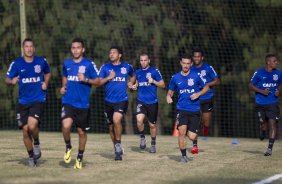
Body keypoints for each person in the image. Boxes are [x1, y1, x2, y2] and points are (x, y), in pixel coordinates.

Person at [5, 38, 51, 167]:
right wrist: (12, 81)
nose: (29, 49)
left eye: (31, 46)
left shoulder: (41, 61)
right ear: (23, 49)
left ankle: (36, 142)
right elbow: (7, 79)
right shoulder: (17, 63)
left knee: (31, 126)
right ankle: (31, 157)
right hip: (23, 101)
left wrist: (45, 83)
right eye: (26, 46)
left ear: (34, 48)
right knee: (25, 131)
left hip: (38, 99)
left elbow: (47, 72)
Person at [60, 38, 100, 169]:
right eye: (73, 48)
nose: (75, 50)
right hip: (68, 101)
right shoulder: (66, 63)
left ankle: (79, 157)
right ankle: (68, 146)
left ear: (83, 49)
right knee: (66, 126)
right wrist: (63, 86)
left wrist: (86, 79)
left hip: (83, 104)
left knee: (81, 133)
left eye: (78, 47)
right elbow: (65, 76)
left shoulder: (89, 64)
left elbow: (98, 81)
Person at [167, 54, 209, 163]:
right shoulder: (175, 77)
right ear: (181, 63)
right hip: (181, 109)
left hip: (194, 110)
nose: (185, 65)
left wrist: (198, 94)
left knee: (191, 136)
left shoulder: (196, 76)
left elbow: (206, 87)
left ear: (190, 64)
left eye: (188, 63)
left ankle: (194, 140)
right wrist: (168, 96)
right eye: (184, 63)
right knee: (181, 132)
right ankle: (183, 156)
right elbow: (170, 91)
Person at [99, 46, 135, 161]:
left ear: (119, 55)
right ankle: (116, 146)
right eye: (110, 53)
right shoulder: (105, 67)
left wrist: (130, 83)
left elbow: (133, 75)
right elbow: (99, 82)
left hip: (122, 100)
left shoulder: (127, 67)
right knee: (110, 128)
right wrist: (109, 77)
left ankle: (118, 144)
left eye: (114, 53)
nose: (111, 54)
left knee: (116, 120)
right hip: (108, 102)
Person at [249, 54, 282, 156]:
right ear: (268, 62)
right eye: (274, 61)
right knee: (264, 126)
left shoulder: (278, 73)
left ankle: (269, 148)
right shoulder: (259, 72)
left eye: (277, 61)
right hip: (260, 104)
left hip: (273, 103)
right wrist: (261, 91)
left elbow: (281, 83)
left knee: (273, 124)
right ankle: (262, 129)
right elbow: (250, 85)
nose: (277, 63)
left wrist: (278, 91)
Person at [132, 53, 165, 153]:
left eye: (145, 60)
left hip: (152, 102)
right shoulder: (137, 72)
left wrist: (153, 81)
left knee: (152, 126)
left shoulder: (154, 71)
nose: (143, 62)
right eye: (141, 60)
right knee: (139, 120)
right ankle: (142, 138)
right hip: (140, 100)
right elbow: (136, 83)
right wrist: (134, 86)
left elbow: (163, 85)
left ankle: (153, 144)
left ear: (149, 61)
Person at [190, 49, 220, 154]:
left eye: (198, 56)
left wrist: (207, 85)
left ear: (202, 58)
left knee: (206, 121)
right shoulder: (190, 68)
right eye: (195, 56)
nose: (196, 58)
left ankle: (206, 128)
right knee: (195, 121)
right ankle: (195, 146)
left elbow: (217, 81)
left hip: (207, 97)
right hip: (195, 98)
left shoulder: (208, 68)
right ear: (193, 58)